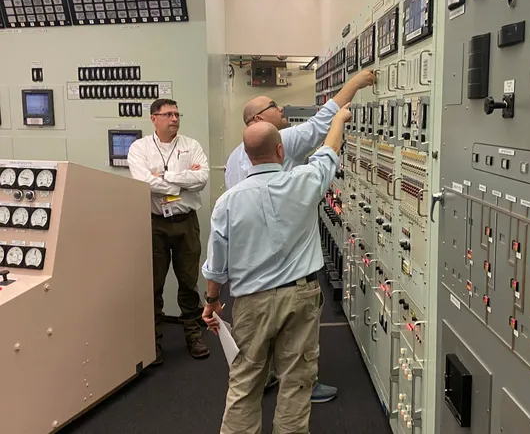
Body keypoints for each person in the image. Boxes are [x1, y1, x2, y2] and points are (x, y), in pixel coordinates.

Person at [223, 68, 375, 402]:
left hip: (249, 272)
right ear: (260, 119)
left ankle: (263, 378)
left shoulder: (237, 157)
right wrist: (355, 84)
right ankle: (302, 384)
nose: (283, 111)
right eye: (276, 106)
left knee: (255, 343)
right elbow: (323, 126)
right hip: (287, 268)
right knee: (295, 334)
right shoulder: (283, 139)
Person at [201, 107, 352, 434]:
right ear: (281, 151)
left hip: (251, 301)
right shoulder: (305, 181)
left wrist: (211, 301)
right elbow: (329, 150)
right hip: (301, 296)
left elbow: (216, 265)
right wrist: (339, 118)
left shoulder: (227, 202)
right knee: (297, 382)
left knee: (245, 382)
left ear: (246, 156)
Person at [128, 98, 210, 364]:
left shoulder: (191, 145)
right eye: (168, 114)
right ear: (154, 118)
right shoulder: (139, 148)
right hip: (155, 224)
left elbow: (202, 178)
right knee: (154, 283)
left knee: (188, 281)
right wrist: (181, 180)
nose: (174, 119)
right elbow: (143, 181)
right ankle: (154, 341)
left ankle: (193, 335)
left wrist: (164, 178)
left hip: (186, 221)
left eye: (177, 114)